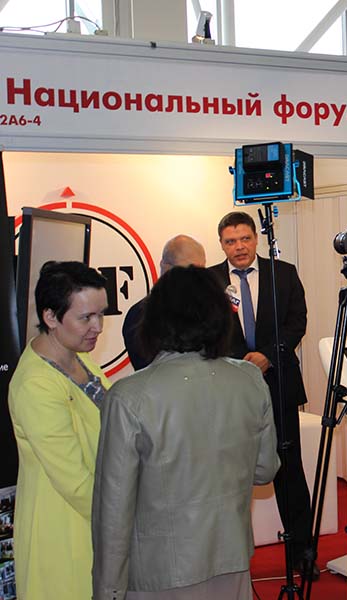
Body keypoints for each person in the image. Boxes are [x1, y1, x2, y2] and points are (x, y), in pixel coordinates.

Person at [92, 266, 281, 599]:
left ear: (154, 319)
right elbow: (265, 470)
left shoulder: (128, 396)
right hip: (231, 560)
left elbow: (113, 512)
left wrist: (107, 591)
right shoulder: (249, 379)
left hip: (158, 573)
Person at [208, 211, 314, 575]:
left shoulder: (283, 273)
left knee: (289, 469)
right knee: (229, 472)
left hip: (279, 381)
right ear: (221, 244)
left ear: (256, 238)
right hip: (230, 387)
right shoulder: (210, 282)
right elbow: (207, 330)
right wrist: (240, 361)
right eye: (230, 241)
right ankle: (228, 559)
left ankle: (302, 553)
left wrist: (269, 354)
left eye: (245, 239)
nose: (239, 247)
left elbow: (297, 322)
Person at [8, 261, 109, 600]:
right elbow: (76, 483)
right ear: (51, 317)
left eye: (101, 314)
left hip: (95, 527)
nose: (97, 327)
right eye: (86, 318)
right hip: (63, 536)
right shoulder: (35, 385)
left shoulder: (78, 356)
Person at [122, 234, 206, 370]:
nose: (197, 278)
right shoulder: (139, 316)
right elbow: (147, 369)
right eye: (190, 270)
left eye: (201, 271)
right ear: (165, 267)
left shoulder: (208, 309)